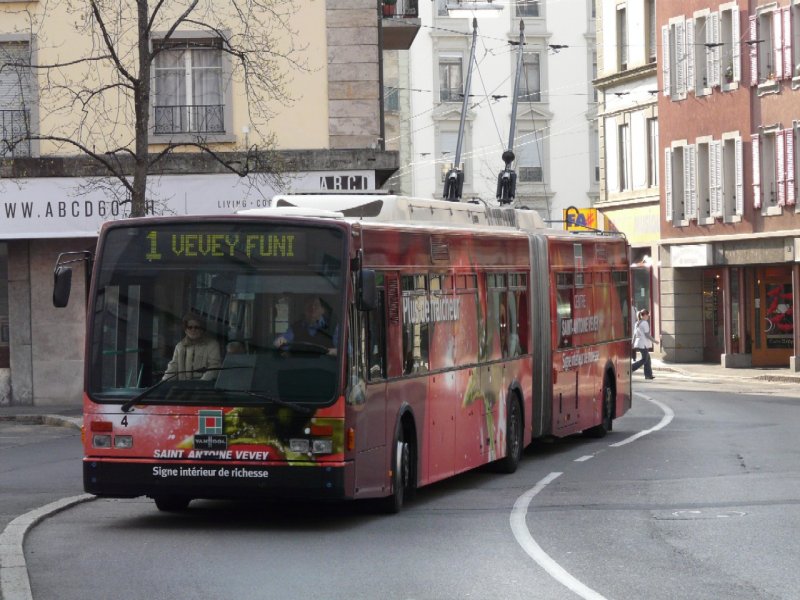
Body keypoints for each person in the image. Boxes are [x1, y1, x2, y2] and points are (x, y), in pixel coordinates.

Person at [163, 313, 221, 381]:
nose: (193, 330)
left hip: (204, 388)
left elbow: (214, 367)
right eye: (190, 327)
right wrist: (164, 383)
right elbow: (173, 367)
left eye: (196, 327)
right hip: (182, 388)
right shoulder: (180, 346)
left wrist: (202, 383)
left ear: (202, 329)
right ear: (185, 330)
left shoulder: (212, 345)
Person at [274, 296, 338, 355]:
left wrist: (337, 352)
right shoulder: (296, 327)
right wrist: (279, 341)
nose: (312, 308)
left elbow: (343, 351)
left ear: (322, 310)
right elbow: (282, 340)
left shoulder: (334, 327)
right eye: (309, 306)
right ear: (304, 310)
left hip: (327, 365)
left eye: (316, 305)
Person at [631, 309, 656, 380]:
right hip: (643, 344)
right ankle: (631, 368)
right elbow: (647, 334)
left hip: (639, 343)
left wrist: (633, 344)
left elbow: (634, 335)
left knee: (648, 359)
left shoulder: (637, 323)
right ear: (644, 315)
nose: (648, 317)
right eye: (647, 315)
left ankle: (648, 375)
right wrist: (654, 341)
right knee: (644, 359)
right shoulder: (645, 323)